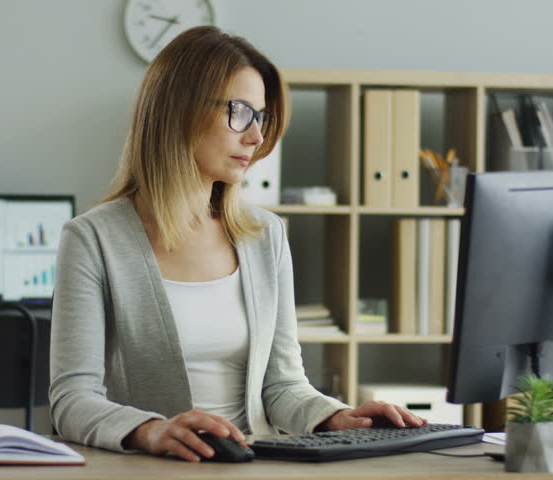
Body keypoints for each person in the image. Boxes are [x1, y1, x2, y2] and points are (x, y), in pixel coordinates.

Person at [49, 26, 426, 462]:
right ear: (179, 110)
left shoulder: (266, 235)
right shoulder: (92, 239)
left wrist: (339, 418)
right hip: (150, 469)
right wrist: (150, 431)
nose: (255, 136)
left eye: (260, 117)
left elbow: (282, 385)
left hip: (254, 464)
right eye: (240, 112)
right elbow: (72, 399)